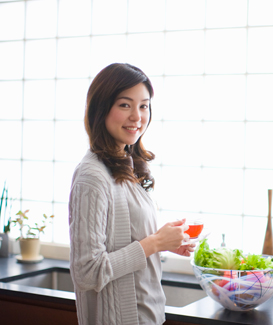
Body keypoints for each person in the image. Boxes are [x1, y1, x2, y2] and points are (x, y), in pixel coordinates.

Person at [69, 63, 195, 325]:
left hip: (148, 316)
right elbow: (87, 273)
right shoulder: (92, 176)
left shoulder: (129, 164)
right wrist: (155, 243)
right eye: (125, 105)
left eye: (144, 105)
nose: (137, 116)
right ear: (100, 109)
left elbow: (125, 244)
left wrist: (164, 243)